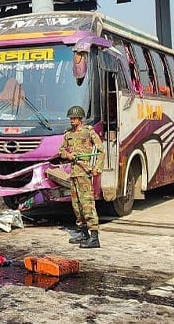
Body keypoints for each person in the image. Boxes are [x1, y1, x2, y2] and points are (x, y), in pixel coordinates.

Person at [58, 105, 104, 249]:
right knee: (77, 205)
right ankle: (83, 233)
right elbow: (60, 151)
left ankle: (94, 236)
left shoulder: (88, 132)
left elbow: (101, 151)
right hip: (74, 173)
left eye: (74, 118)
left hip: (84, 172)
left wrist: (97, 168)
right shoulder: (68, 134)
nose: (72, 120)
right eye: (71, 118)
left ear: (80, 119)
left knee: (87, 204)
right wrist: (67, 155)